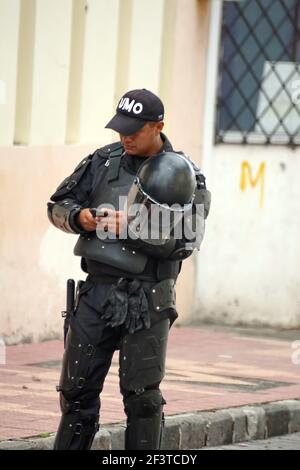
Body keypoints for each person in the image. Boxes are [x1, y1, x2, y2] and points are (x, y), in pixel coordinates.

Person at [47, 88, 210, 450]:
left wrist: (133, 227)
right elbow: (57, 205)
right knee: (76, 392)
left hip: (148, 295)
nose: (126, 137)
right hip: (96, 292)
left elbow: (185, 241)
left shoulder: (185, 175)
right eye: (121, 129)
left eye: (135, 130)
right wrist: (79, 217)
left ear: (159, 127)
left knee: (142, 398)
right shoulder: (103, 161)